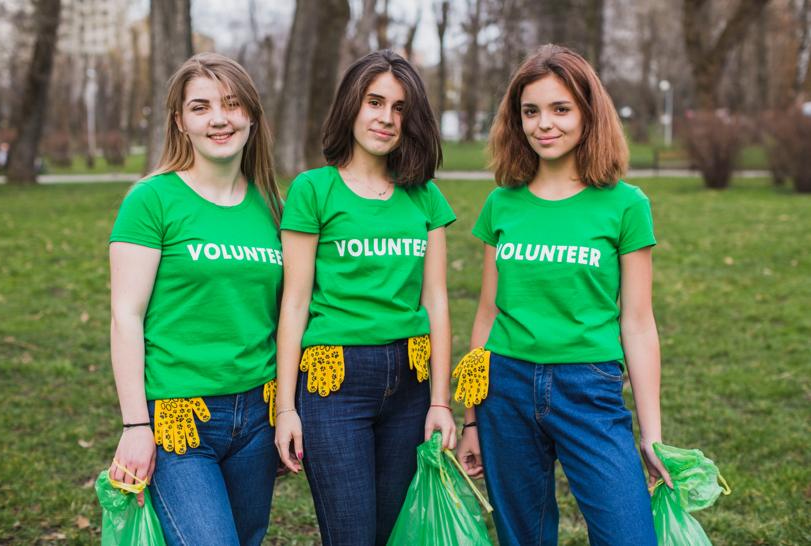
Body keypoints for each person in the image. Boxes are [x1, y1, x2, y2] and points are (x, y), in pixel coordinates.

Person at [454, 44, 674, 546]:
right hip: (503, 388)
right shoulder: (501, 204)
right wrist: (471, 418)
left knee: (629, 535)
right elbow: (486, 314)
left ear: (588, 114)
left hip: (588, 389)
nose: (543, 124)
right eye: (530, 111)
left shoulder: (624, 206)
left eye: (560, 109)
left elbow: (638, 322)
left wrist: (652, 432)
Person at [274, 49, 457, 546]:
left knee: (396, 533)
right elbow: (293, 304)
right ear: (351, 105)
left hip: (412, 383)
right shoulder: (314, 190)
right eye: (375, 102)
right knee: (352, 534)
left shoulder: (424, 196)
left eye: (399, 108)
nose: (386, 118)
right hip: (336, 385)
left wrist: (440, 401)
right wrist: (285, 408)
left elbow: (436, 301)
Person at [107, 53, 283, 546]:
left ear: (251, 114)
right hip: (180, 420)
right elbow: (126, 315)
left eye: (231, 104)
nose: (219, 119)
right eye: (201, 107)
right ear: (181, 122)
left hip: (257, 415)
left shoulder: (272, 206)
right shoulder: (152, 200)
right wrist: (136, 423)